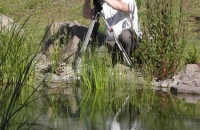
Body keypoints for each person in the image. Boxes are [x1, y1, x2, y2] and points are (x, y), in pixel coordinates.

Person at [82, 0, 142, 65]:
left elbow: (120, 6)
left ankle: (126, 63)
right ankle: (113, 64)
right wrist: (87, 2)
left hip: (131, 38)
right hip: (111, 40)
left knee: (125, 36)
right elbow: (87, 15)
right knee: (100, 57)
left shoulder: (129, 1)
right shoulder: (105, 4)